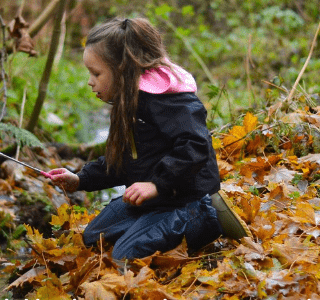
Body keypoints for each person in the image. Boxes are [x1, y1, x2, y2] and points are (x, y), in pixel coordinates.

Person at [48, 17, 248, 261]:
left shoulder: (167, 99)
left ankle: (205, 220)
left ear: (123, 70)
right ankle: (151, 227)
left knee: (124, 254)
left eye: (96, 73)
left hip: (186, 200)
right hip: (155, 201)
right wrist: (80, 179)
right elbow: (122, 161)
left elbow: (195, 146)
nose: (90, 81)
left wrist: (156, 185)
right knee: (93, 237)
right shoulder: (129, 103)